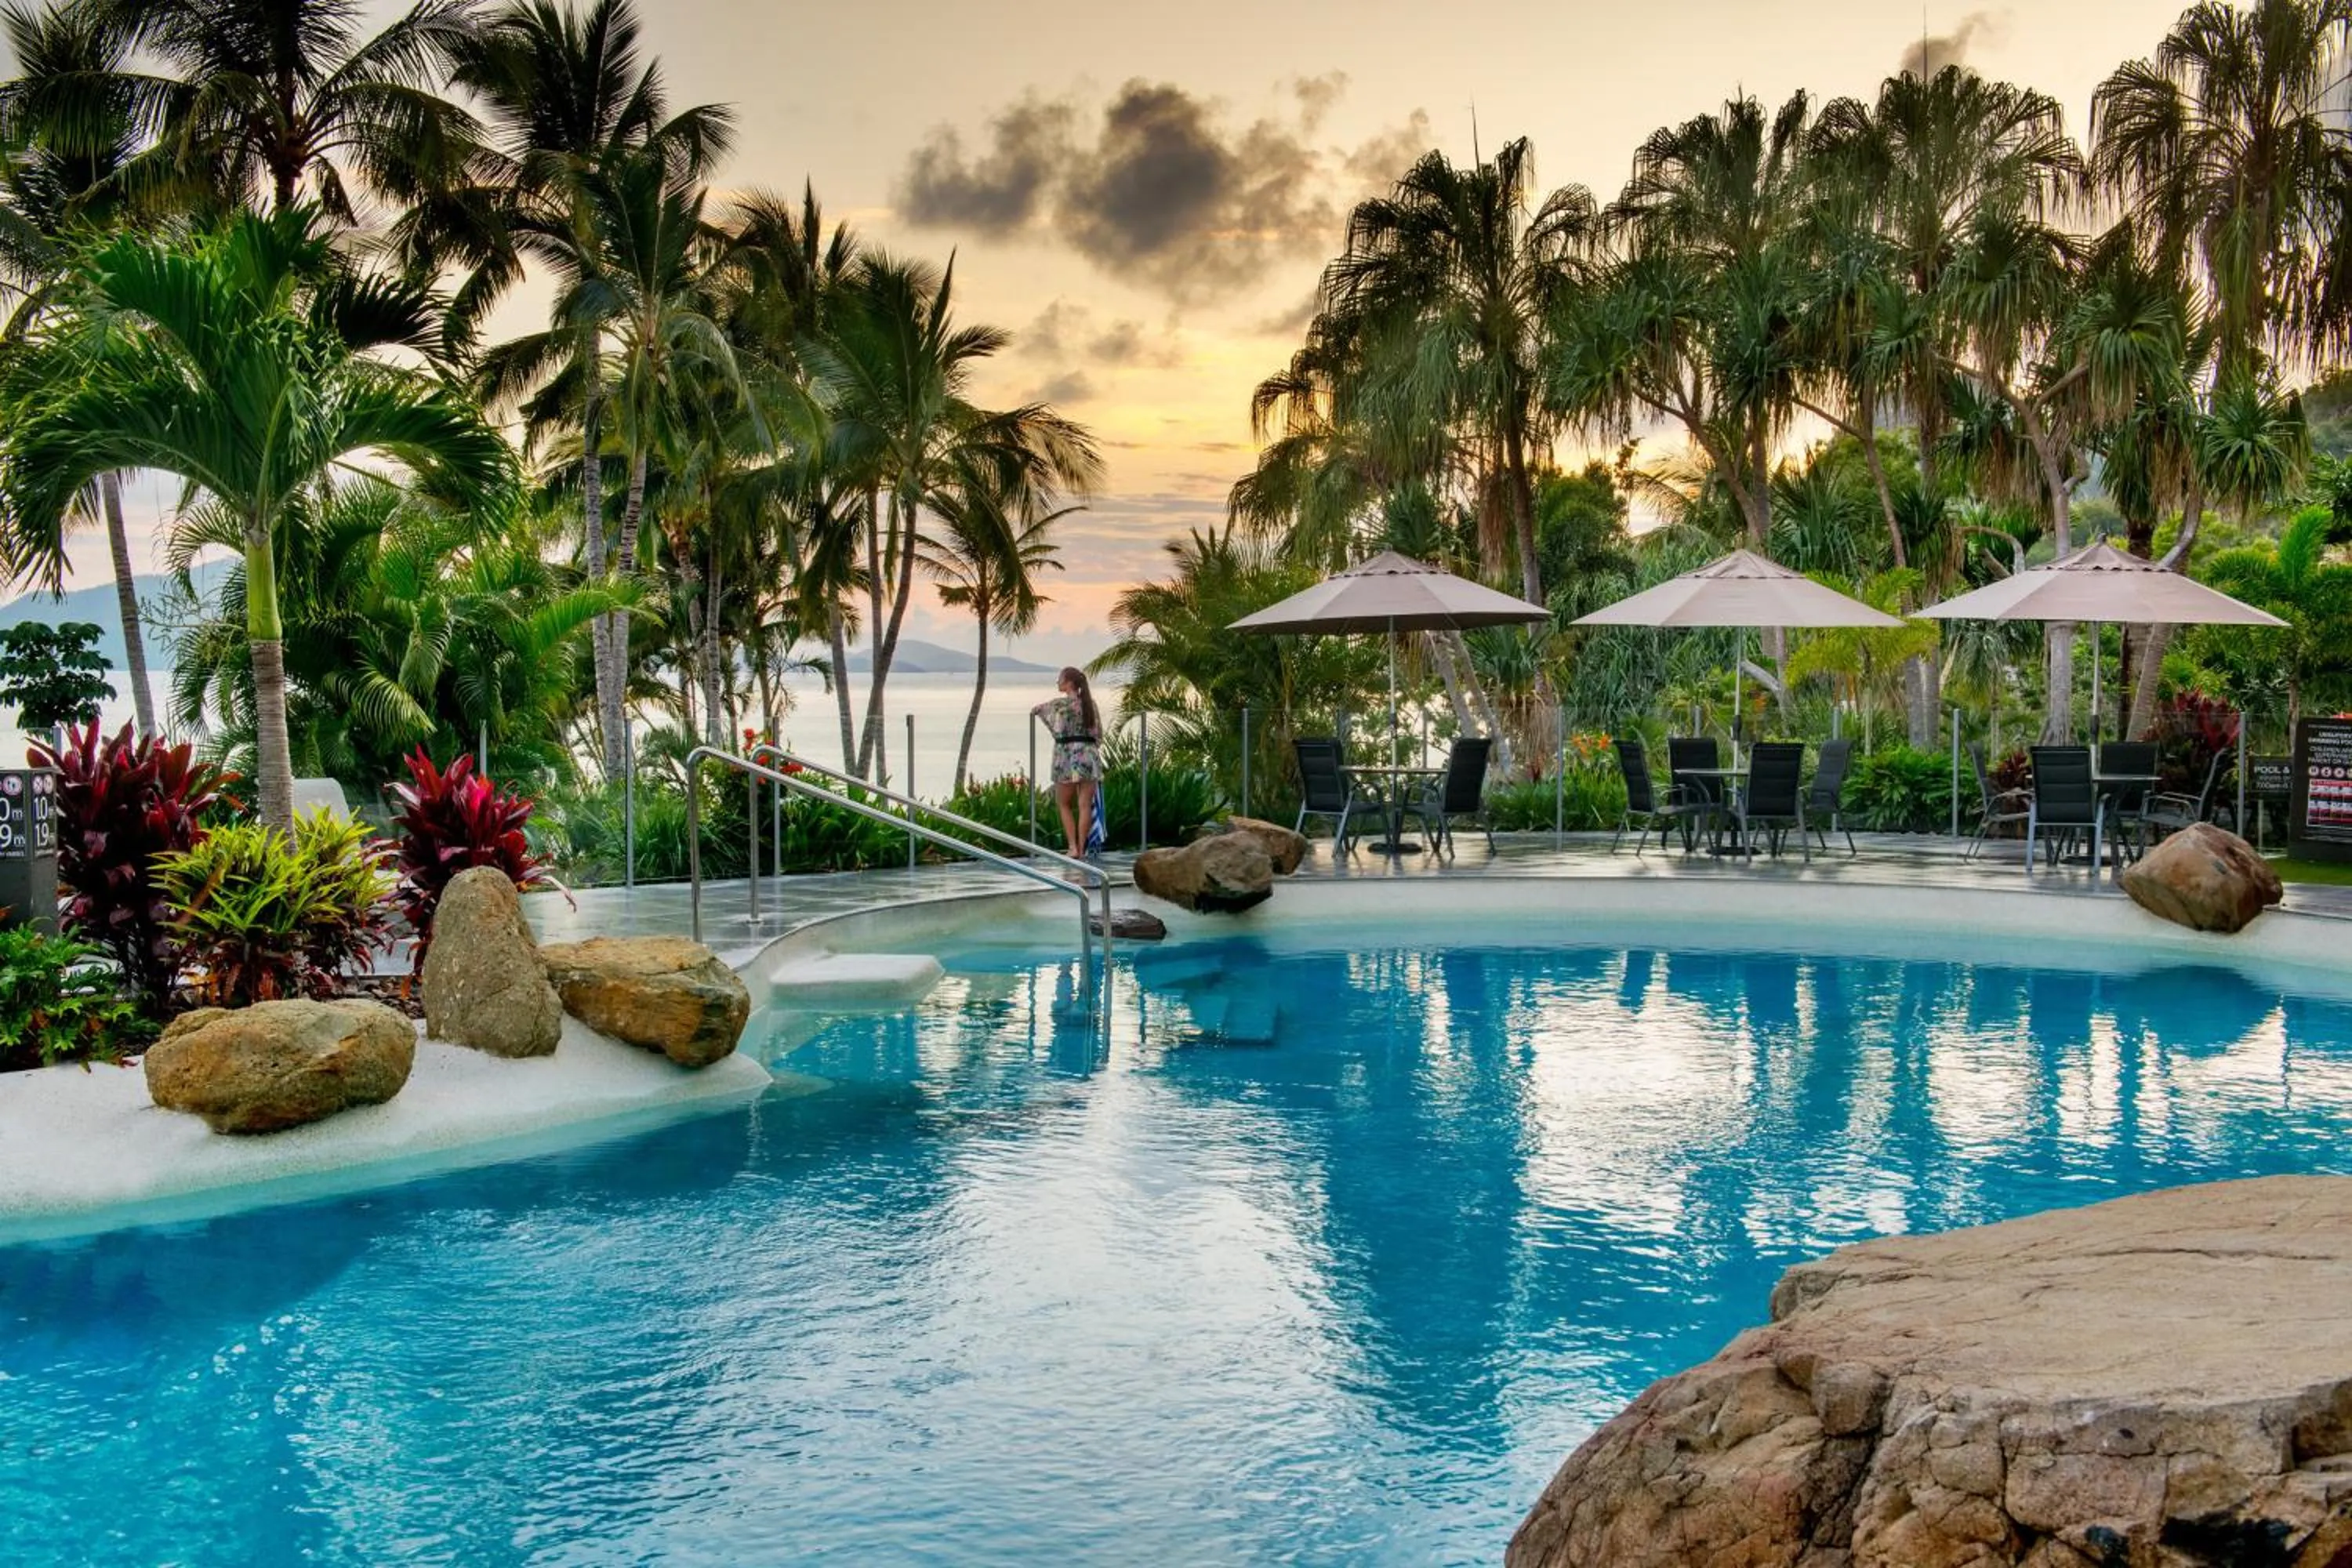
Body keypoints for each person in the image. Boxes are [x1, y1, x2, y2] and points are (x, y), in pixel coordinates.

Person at [1033, 666, 1102, 862]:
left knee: (1063, 803)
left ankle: (1073, 848)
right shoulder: (1090, 704)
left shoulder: (1059, 705)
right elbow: (1098, 735)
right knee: (1084, 805)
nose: (1058, 683)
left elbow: (1040, 712)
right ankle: (1083, 847)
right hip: (1089, 755)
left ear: (1069, 683)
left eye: (1060, 679)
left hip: (1066, 756)